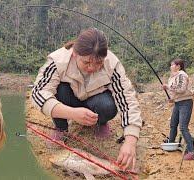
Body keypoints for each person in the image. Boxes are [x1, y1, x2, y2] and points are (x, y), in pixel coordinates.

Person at [31, 28, 142, 170]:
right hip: (69, 102)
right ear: (75, 54)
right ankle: (61, 128)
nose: (92, 68)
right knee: (60, 89)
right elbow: (38, 93)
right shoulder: (57, 60)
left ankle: (100, 123)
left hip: (95, 101)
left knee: (108, 105)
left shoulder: (112, 64)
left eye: (98, 63)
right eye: (86, 62)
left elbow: (128, 100)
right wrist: (72, 113)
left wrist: (130, 141)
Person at [162, 58, 194, 160]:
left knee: (183, 127)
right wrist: (172, 99)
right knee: (173, 124)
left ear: (178, 66)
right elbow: (175, 92)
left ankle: (191, 152)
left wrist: (168, 87)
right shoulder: (172, 77)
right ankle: (171, 143)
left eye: (172, 65)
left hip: (185, 103)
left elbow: (181, 89)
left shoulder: (182, 75)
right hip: (177, 103)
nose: (171, 66)